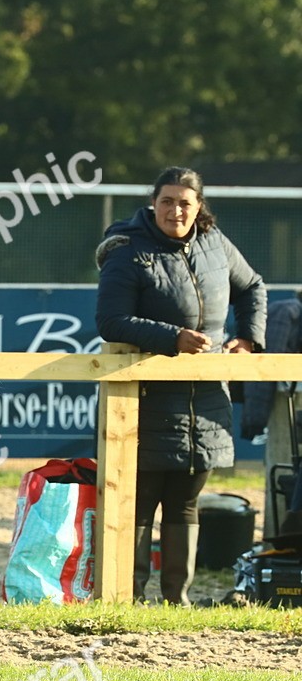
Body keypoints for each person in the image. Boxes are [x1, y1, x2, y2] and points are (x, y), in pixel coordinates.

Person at [96, 166, 266, 605]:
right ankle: (127, 597)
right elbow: (110, 321)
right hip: (147, 399)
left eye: (185, 203)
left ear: (198, 207)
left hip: (207, 398)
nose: (175, 210)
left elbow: (253, 287)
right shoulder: (127, 249)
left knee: (186, 501)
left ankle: (178, 600)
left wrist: (247, 338)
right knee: (141, 502)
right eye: (167, 201)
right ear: (153, 203)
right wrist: (172, 338)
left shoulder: (216, 244)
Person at [239, 291, 302, 536]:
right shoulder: (285, 312)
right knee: (284, 469)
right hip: (287, 397)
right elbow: (267, 367)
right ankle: (278, 536)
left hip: (290, 394)